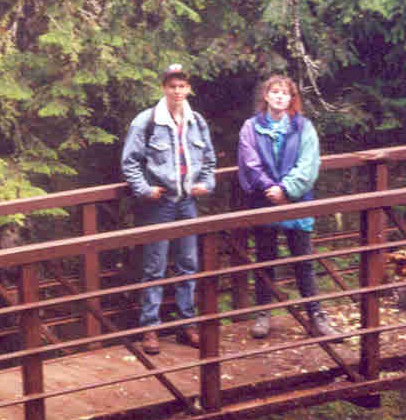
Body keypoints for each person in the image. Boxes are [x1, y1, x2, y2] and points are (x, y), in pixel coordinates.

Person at [121, 64, 217, 354]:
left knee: (189, 264)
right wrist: (144, 190)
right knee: (155, 267)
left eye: (182, 86)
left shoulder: (196, 121)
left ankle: (187, 325)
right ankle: (150, 329)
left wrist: (207, 183)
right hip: (159, 204)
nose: (177, 91)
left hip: (187, 202)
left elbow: (210, 162)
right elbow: (130, 162)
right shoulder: (146, 121)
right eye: (172, 86)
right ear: (163, 87)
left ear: (188, 88)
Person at [237, 74, 339, 340]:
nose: (280, 96)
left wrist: (285, 189)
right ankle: (263, 314)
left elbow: (309, 164)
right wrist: (269, 188)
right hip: (264, 201)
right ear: (266, 96)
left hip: (296, 201)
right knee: (264, 258)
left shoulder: (303, 127)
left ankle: (316, 315)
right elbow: (249, 163)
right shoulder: (251, 127)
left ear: (291, 99)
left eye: (285, 93)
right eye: (275, 92)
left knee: (303, 260)